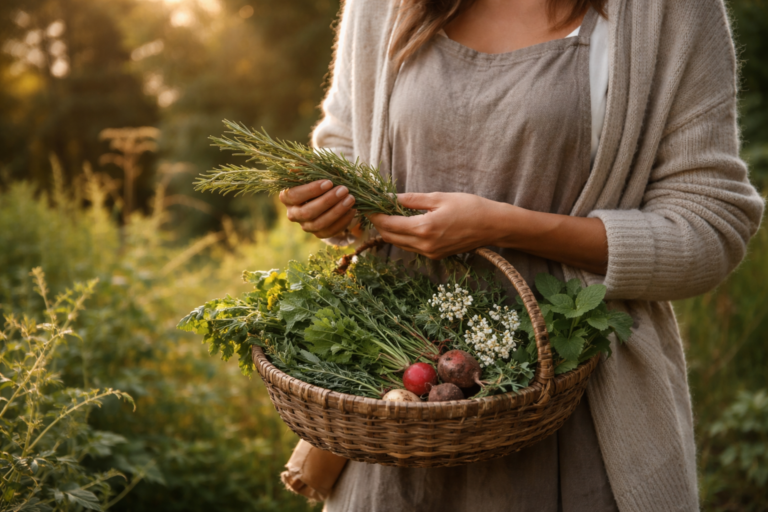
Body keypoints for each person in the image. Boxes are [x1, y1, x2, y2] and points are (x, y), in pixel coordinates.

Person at [278, 0, 765, 510]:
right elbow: (345, 148)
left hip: (580, 417)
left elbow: (710, 227)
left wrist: (508, 226)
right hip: (396, 415)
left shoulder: (667, 12)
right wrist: (331, 203)